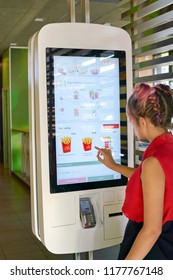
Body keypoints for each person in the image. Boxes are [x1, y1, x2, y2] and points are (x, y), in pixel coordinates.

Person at [95, 83, 173, 260]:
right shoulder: (167, 147)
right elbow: (151, 181)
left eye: (132, 121)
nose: (133, 125)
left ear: (143, 122)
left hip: (155, 248)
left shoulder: (154, 161)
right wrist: (114, 166)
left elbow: (152, 230)